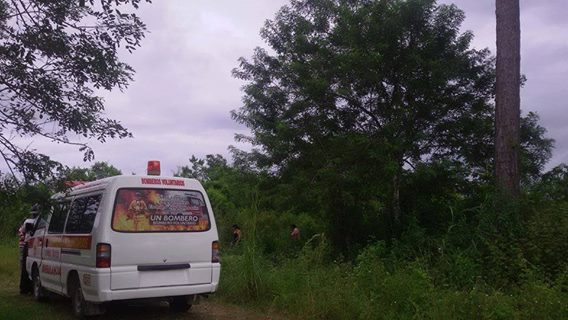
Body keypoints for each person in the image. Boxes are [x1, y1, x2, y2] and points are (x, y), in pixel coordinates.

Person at [18, 204, 40, 294]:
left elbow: (22, 231)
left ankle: (25, 288)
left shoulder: (28, 221)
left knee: (26, 266)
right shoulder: (41, 221)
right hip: (36, 244)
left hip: (29, 244)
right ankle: (31, 287)